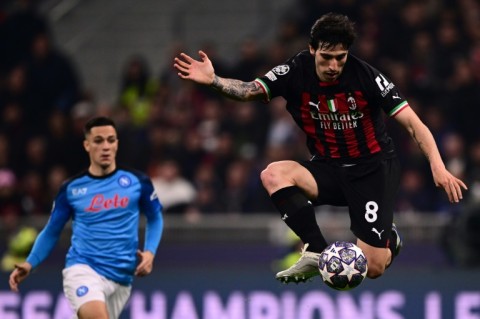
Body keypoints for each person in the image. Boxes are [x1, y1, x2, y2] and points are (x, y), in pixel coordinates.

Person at [173, 12, 467, 284]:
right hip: (328, 167)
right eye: (327, 57)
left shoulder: (367, 76)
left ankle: (390, 240)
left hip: (372, 173)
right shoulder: (294, 70)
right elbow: (250, 90)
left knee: (373, 268)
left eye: (340, 58)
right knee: (273, 174)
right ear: (312, 48)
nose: (334, 66)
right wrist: (213, 81)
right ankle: (315, 249)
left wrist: (438, 167)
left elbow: (416, 125)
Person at [8, 116, 164, 318]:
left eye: (111, 140)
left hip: (122, 279)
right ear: (87, 145)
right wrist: (30, 263)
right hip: (83, 270)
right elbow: (51, 231)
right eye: (98, 141)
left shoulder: (138, 182)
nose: (105, 146)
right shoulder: (71, 189)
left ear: (117, 144)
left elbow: (155, 217)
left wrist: (150, 252)